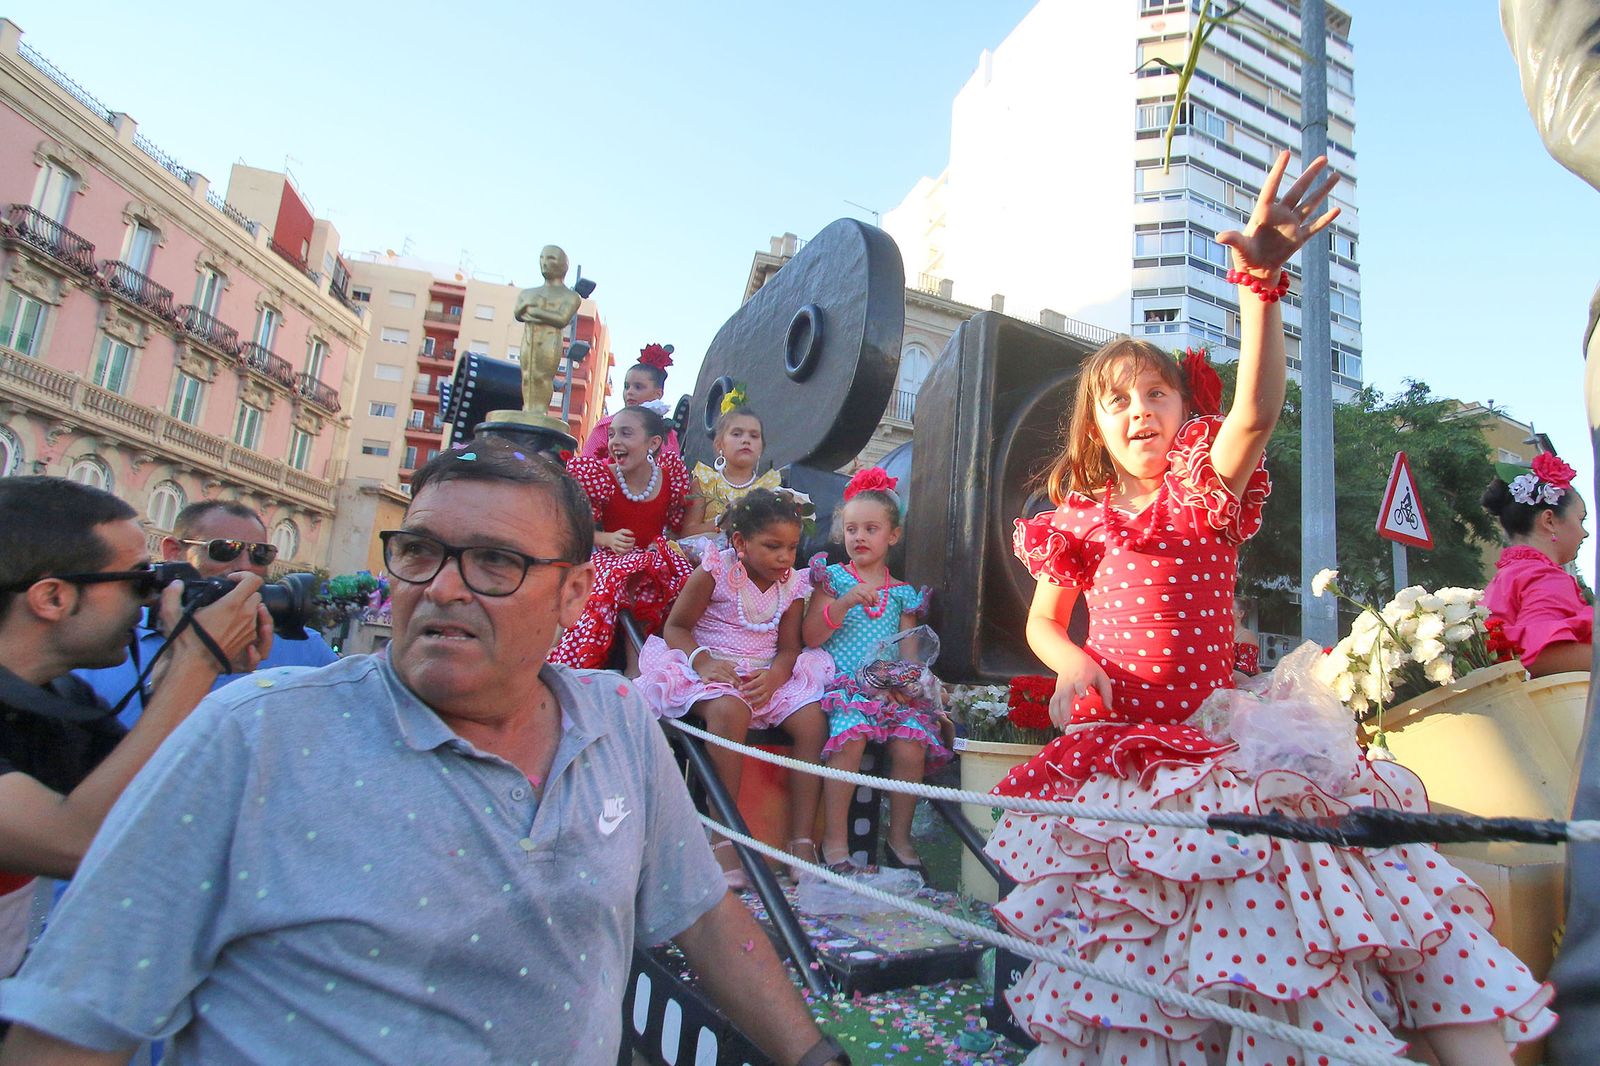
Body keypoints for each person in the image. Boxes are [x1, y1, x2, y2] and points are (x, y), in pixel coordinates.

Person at [0, 440, 850, 1066]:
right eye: (419, 552)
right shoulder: (251, 738)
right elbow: (71, 1031)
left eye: (493, 563)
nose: (440, 587)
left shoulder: (619, 722)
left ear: (574, 594)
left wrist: (815, 1059)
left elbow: (701, 914)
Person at [987, 151, 1552, 1064]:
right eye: (1118, 401)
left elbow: (1254, 410)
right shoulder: (1077, 521)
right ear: (1093, 425)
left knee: (1299, 907)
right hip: (1126, 756)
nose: (1141, 411)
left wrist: (1259, 286)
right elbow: (1045, 622)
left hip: (1221, 742)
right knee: (1141, 947)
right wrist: (1072, 663)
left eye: (1157, 393)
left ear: (1180, 409)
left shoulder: (1202, 490)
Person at [0, 477, 269, 979]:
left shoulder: (57, 698)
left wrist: (171, 677)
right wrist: (195, 664)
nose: (152, 599)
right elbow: (82, 842)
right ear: (53, 597)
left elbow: (160, 814)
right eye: (139, 581)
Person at [636, 489, 831, 886]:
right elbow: (676, 626)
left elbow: (790, 647)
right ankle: (722, 837)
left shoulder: (792, 585)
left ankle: (801, 839)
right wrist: (703, 662)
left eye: (792, 548)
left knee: (812, 722)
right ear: (740, 542)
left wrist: (776, 676)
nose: (784, 557)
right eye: (772, 546)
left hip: (766, 674)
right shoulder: (715, 570)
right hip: (711, 669)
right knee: (730, 711)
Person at [802, 468, 951, 873]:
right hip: (845, 685)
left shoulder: (902, 593)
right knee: (851, 737)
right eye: (851, 529)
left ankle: (899, 837)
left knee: (912, 742)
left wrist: (909, 682)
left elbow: (909, 652)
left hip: (888, 688)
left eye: (871, 528)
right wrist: (845, 602)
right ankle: (835, 840)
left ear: (893, 535)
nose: (859, 537)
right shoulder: (831, 579)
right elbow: (812, 635)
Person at [76, 500, 337, 724]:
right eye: (224, 549)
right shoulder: (107, 640)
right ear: (173, 552)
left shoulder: (303, 648)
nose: (245, 566)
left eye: (260, 554)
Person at [551, 405, 696, 669]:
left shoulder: (669, 475)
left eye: (626, 434)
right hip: (611, 560)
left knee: (672, 578)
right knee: (617, 577)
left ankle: (649, 664)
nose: (615, 442)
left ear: (653, 443)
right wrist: (606, 539)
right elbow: (575, 528)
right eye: (612, 435)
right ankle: (583, 659)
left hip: (653, 559)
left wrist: (667, 544)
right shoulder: (600, 476)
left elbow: (675, 528)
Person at [1482, 455, 1593, 676]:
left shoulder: (1505, 579)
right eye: (1581, 520)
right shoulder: (1544, 577)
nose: (1585, 533)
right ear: (1549, 520)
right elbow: (1541, 656)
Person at [679, 403, 784, 549]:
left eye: (754, 436)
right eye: (737, 434)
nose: (746, 440)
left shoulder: (769, 489)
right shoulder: (705, 482)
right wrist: (720, 522)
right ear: (719, 444)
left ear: (761, 447)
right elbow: (686, 534)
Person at [579, 342, 681, 459]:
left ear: (658, 394)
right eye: (627, 386)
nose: (629, 392)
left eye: (638, 387)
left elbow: (673, 474)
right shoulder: (606, 427)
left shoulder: (668, 436)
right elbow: (585, 466)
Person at [1232, 593, 1262, 680]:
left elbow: (1248, 670)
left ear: (1240, 613)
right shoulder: (1224, 634)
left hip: (1241, 685)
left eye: (1230, 608)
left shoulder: (1246, 635)